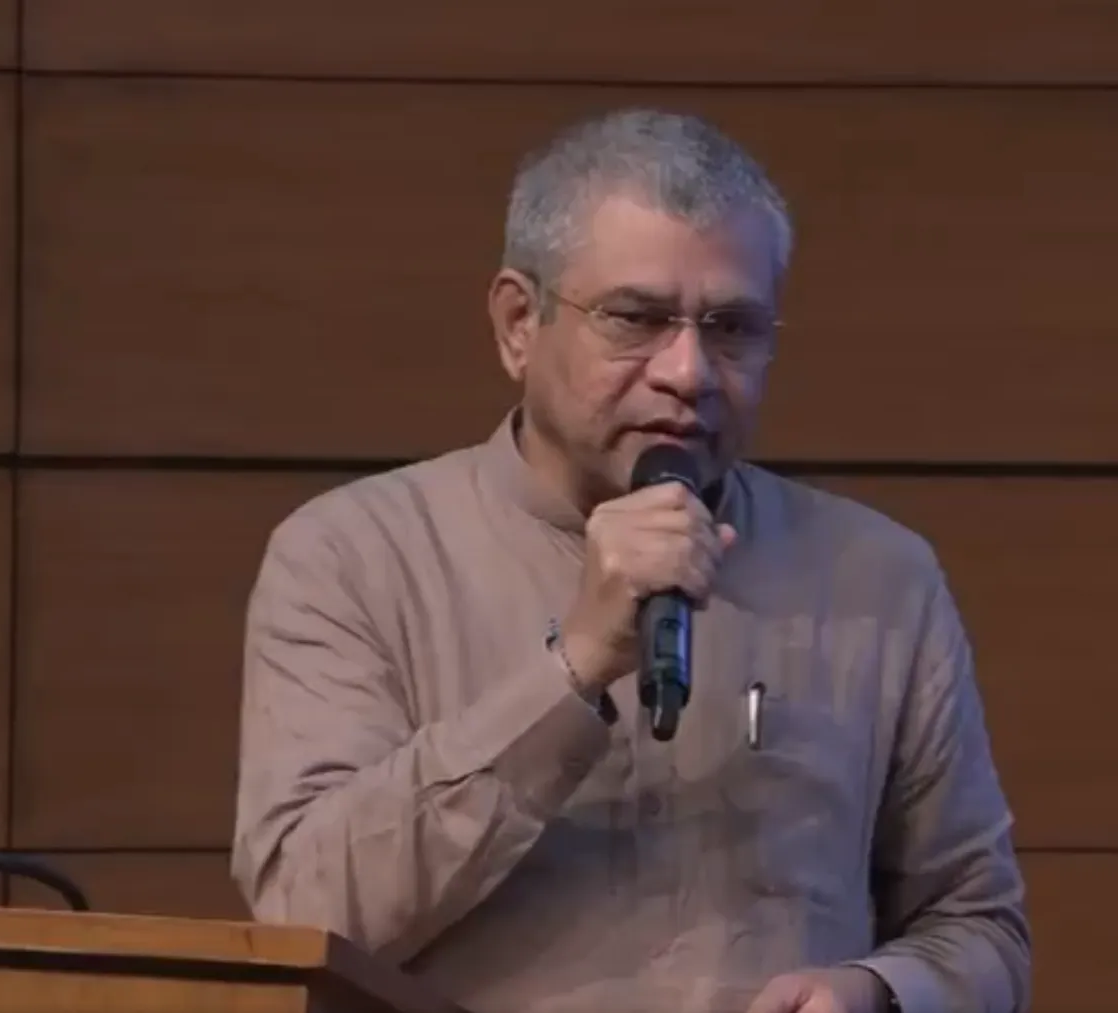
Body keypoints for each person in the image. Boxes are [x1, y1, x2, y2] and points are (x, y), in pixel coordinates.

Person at [230, 108, 1031, 1013]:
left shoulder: (878, 577)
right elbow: (305, 911)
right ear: (518, 324)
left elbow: (980, 926)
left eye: (732, 327)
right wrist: (574, 665)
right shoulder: (352, 557)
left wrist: (877, 992)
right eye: (636, 318)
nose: (688, 371)